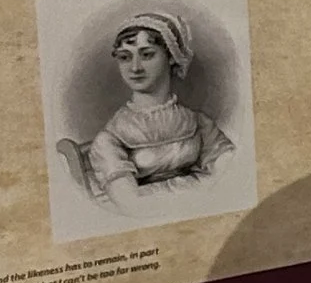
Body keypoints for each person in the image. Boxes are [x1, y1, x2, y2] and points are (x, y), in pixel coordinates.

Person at [63, 13, 232, 204]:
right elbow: (133, 205)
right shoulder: (110, 139)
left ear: (171, 56)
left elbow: (233, 176)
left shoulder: (199, 123)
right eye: (125, 57)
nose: (135, 68)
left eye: (147, 55)